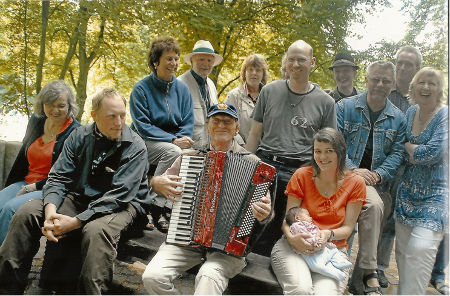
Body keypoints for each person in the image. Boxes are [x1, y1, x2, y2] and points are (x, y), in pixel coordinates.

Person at [0, 88, 151, 294]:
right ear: (94, 115)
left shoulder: (135, 146)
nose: (119, 122)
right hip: (80, 196)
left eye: (122, 115)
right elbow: (59, 176)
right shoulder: (80, 136)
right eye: (112, 116)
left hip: (122, 205)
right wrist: (51, 212)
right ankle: (8, 288)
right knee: (27, 213)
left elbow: (119, 196)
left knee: (95, 231)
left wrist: (75, 221)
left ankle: (92, 291)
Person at [142, 103, 273, 295]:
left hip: (228, 248)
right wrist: (156, 182)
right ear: (207, 126)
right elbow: (162, 187)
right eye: (216, 121)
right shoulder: (189, 157)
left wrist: (264, 214)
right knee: (152, 277)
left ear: (236, 128)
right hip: (185, 239)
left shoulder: (255, 166)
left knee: (208, 277)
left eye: (227, 122)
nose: (221, 125)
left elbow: (265, 215)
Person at [246, 40, 336, 256]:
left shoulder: (325, 102)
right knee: (252, 222)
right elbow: (255, 133)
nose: (295, 64)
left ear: (312, 62)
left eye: (302, 59)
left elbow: (328, 147)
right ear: (286, 61)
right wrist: (247, 162)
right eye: (291, 59)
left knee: (281, 230)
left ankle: (271, 277)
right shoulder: (268, 91)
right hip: (265, 163)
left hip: (300, 172)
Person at [336, 60, 407, 295]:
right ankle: (367, 274)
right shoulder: (344, 107)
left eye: (386, 81)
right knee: (373, 205)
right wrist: (353, 170)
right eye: (375, 78)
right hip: (341, 177)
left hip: (375, 183)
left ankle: (361, 279)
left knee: (376, 204)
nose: (380, 84)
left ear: (393, 84)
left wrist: (377, 175)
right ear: (365, 80)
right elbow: (334, 143)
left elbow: (398, 154)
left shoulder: (399, 118)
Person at [271, 127, 365, 294]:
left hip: (331, 252)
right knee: (301, 289)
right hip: (294, 247)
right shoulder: (302, 175)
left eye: (329, 151)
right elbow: (288, 220)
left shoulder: (355, 183)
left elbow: (348, 229)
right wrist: (293, 239)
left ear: (340, 152)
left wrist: (328, 234)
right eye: (317, 151)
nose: (322, 157)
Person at [0, 80, 80, 244]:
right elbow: (22, 158)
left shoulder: (76, 132)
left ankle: (4, 260)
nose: (55, 110)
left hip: (51, 187)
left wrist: (34, 187)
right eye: (49, 104)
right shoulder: (36, 121)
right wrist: (16, 185)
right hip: (26, 182)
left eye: (61, 105)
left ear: (70, 106)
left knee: (10, 210)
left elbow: (69, 174)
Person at [394, 67, 448, 295]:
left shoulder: (445, 115)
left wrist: (410, 149)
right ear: (413, 87)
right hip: (407, 192)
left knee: (421, 249)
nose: (426, 87)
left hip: (436, 194)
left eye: (432, 83)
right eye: (421, 82)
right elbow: (398, 146)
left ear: (440, 89)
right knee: (404, 255)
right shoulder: (410, 112)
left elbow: (432, 154)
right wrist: (412, 150)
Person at [376, 45, 422, 287]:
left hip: (406, 171)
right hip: (379, 165)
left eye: (409, 64)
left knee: (391, 221)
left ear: (417, 69)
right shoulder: (382, 89)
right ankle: (358, 262)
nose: (403, 68)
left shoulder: (419, 99)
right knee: (369, 214)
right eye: (400, 63)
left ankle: (379, 266)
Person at [130, 36, 194, 178]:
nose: (174, 63)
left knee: (195, 155)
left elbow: (188, 121)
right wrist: (173, 140)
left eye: (176, 59)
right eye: (169, 59)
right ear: (155, 62)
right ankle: (155, 195)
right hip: (144, 140)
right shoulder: (141, 89)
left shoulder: (183, 89)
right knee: (173, 152)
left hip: (174, 141)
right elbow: (143, 126)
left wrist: (180, 139)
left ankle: (181, 198)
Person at [285, 206, 352, 281]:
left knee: (333, 250)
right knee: (317, 266)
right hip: (310, 253)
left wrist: (326, 242)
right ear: (297, 218)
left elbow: (318, 233)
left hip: (321, 247)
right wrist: (315, 241)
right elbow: (305, 237)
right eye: (307, 215)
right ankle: (337, 273)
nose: (311, 218)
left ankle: (340, 262)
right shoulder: (296, 226)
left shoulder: (310, 225)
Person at [178, 40, 223, 149]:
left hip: (209, 146)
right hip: (187, 149)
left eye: (209, 60)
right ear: (192, 60)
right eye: (201, 59)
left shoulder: (211, 85)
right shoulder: (180, 84)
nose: (206, 64)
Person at [224, 54, 269, 144]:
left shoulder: (269, 96)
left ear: (263, 74)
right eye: (250, 69)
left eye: (258, 70)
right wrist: (244, 148)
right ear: (244, 72)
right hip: (240, 150)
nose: (254, 73)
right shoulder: (233, 96)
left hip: (265, 151)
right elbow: (228, 125)